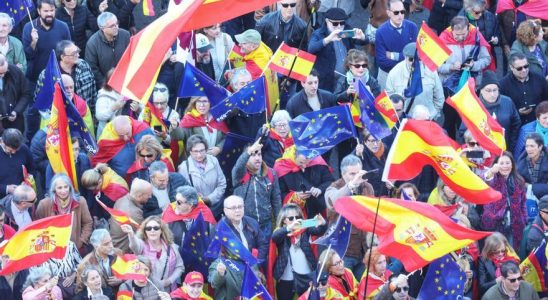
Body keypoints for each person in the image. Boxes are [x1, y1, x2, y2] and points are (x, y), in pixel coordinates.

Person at [22, 0, 71, 141]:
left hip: (57, 77)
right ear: (38, 11)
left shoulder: (63, 27)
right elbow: (28, 55)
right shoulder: (28, 28)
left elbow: (69, 49)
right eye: (46, 11)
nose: (49, 14)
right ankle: (32, 141)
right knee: (34, 113)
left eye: (52, 10)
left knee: (58, 112)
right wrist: (34, 42)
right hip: (34, 79)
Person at [325, 154, 375, 280]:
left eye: (359, 173)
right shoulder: (332, 188)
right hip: (343, 253)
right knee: (345, 289)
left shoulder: (367, 187)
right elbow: (335, 201)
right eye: (352, 174)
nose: (357, 177)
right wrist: (351, 186)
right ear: (343, 174)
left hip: (365, 250)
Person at [208, 196, 269, 299]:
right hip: (230, 273)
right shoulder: (218, 229)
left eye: (240, 207)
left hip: (251, 268)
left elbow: (263, 244)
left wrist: (257, 264)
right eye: (233, 208)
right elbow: (215, 255)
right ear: (225, 210)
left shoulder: (252, 222)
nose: (237, 210)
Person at [271, 203, 326, 298]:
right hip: (285, 277)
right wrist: (289, 228)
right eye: (291, 218)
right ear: (284, 220)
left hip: (305, 276)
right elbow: (275, 237)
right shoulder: (281, 231)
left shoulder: (305, 228)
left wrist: (323, 223)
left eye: (298, 217)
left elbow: (320, 231)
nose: (295, 220)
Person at [458, 71, 521, 153]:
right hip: (480, 153)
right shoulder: (473, 106)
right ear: (481, 91)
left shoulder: (507, 102)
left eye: (495, 90)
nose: (492, 94)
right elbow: (463, 132)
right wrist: (473, 153)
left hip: (503, 151)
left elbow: (516, 124)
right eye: (488, 90)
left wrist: (510, 147)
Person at [307, 8, 367, 92]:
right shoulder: (319, 33)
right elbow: (311, 48)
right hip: (327, 80)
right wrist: (328, 39)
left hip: (346, 78)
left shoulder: (346, 30)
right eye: (335, 24)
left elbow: (363, 42)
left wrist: (362, 37)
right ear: (327, 21)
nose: (339, 26)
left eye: (342, 23)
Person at [232, 139, 282, 238]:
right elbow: (238, 165)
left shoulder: (271, 173)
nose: (257, 158)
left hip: (266, 225)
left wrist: (278, 224)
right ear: (246, 157)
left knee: (266, 253)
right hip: (245, 226)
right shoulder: (239, 174)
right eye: (253, 155)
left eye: (259, 154)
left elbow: (276, 200)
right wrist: (249, 151)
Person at [121, 216, 184, 292]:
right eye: (148, 228)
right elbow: (134, 245)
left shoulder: (172, 247)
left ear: (161, 230)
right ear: (145, 231)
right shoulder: (141, 246)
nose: (152, 230)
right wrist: (131, 234)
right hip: (148, 292)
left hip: (169, 291)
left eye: (156, 228)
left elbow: (180, 267)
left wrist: (169, 281)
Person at [385, 43, 444, 124]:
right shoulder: (394, 73)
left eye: (419, 59)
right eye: (411, 59)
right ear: (405, 57)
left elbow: (440, 99)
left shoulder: (431, 72)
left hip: (426, 120)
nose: (415, 62)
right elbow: (389, 99)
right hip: (404, 121)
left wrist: (430, 116)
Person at [36, 173, 93, 251]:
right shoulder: (44, 204)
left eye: (66, 187)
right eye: (59, 188)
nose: (63, 191)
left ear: (70, 187)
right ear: (54, 189)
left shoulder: (80, 201)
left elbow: (87, 223)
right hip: (53, 249)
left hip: (75, 248)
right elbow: (38, 227)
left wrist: (81, 241)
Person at [482, 152, 527, 250]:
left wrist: (524, 219)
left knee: (512, 253)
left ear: (512, 164)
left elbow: (523, 202)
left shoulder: (519, 181)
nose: (505, 166)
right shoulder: (493, 179)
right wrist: (491, 172)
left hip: (515, 225)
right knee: (496, 253)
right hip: (495, 225)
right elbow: (484, 181)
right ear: (496, 165)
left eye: (508, 163)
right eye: (501, 163)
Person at [275, 146, 334, 218]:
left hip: (321, 208)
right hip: (298, 214)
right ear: (294, 157)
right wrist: (295, 196)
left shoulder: (317, 162)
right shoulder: (282, 167)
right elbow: (278, 194)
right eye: (301, 162)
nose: (305, 166)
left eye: (307, 162)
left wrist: (320, 189)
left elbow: (330, 181)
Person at [438, 16, 492, 92]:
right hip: (448, 86)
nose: (460, 37)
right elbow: (436, 65)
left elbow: (487, 59)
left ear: (468, 29)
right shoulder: (443, 40)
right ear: (451, 30)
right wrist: (451, 67)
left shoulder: (477, 38)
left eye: (463, 34)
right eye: (457, 35)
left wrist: (474, 65)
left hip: (472, 85)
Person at [177, 135, 226, 219]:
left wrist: (209, 199)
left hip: (217, 206)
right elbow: (182, 193)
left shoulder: (214, 161)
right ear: (190, 151)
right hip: (198, 211)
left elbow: (222, 184)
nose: (199, 155)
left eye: (201, 150)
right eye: (195, 151)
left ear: (206, 149)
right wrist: (196, 198)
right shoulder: (184, 167)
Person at [35, 40, 96, 106]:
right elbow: (39, 98)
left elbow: (93, 91)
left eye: (77, 51)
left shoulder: (84, 65)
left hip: (83, 112)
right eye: (74, 54)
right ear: (63, 57)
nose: (78, 55)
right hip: (59, 114)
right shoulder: (47, 74)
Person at [375, 0, 419, 89]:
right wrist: (406, 60)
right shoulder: (380, 31)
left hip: (406, 75)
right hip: (387, 75)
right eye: (396, 12)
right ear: (388, 13)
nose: (400, 15)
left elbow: (415, 55)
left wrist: (395, 56)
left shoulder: (412, 27)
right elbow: (381, 61)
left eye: (402, 12)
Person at [500, 53, 548, 125]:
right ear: (511, 67)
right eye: (519, 68)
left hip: (538, 124)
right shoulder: (503, 84)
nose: (524, 70)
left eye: (526, 66)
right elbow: (503, 110)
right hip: (516, 125)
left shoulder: (539, 79)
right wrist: (518, 112)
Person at [85, 12, 130, 89]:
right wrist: (106, 85)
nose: (116, 27)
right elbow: (93, 68)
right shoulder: (92, 43)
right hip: (106, 86)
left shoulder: (125, 35)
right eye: (112, 26)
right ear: (102, 28)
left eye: (117, 23)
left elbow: (131, 56)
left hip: (126, 82)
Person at [109, 178, 152, 252]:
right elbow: (146, 235)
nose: (150, 196)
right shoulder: (133, 214)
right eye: (148, 194)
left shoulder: (121, 199)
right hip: (125, 253)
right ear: (139, 196)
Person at [478, 232, 518, 296]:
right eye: (497, 252)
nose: (500, 254)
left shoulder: (511, 259)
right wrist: (496, 281)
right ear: (490, 250)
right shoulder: (483, 260)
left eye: (503, 251)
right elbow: (482, 287)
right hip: (491, 295)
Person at [141, 82, 180, 148]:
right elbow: (140, 131)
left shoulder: (174, 115)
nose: (159, 106)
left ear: (167, 101)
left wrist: (164, 136)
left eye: (162, 103)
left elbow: (177, 143)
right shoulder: (146, 111)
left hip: (166, 151)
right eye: (156, 103)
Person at [0, 53, 30, 132]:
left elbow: (26, 94)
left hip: (14, 122)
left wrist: (16, 111)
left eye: (4, 72)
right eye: (0, 73)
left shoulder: (15, 72)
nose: (2, 76)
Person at [355, 132, 389, 197]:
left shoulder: (385, 149)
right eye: (372, 141)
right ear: (365, 142)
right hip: (368, 196)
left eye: (378, 140)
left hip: (384, 195)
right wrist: (357, 155)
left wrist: (391, 181)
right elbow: (351, 166)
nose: (375, 144)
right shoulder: (360, 152)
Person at [517, 133, 548, 199]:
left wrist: (530, 187)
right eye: (527, 146)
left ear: (540, 147)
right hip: (527, 198)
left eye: (532, 146)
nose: (528, 149)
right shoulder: (521, 162)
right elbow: (518, 185)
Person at [95, 69, 125, 138]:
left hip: (124, 133)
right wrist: (113, 108)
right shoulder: (104, 96)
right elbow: (99, 116)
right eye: (116, 80)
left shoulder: (126, 92)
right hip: (108, 135)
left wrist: (137, 109)